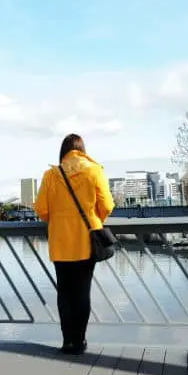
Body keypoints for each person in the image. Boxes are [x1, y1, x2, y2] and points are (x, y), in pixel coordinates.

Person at [34, 133, 115, 355]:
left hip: (60, 242)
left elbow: (41, 209)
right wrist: (94, 218)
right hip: (86, 240)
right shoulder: (94, 170)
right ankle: (79, 342)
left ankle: (67, 341)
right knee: (82, 292)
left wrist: (59, 220)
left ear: (63, 152)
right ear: (82, 150)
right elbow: (107, 205)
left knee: (64, 293)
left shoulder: (51, 174)